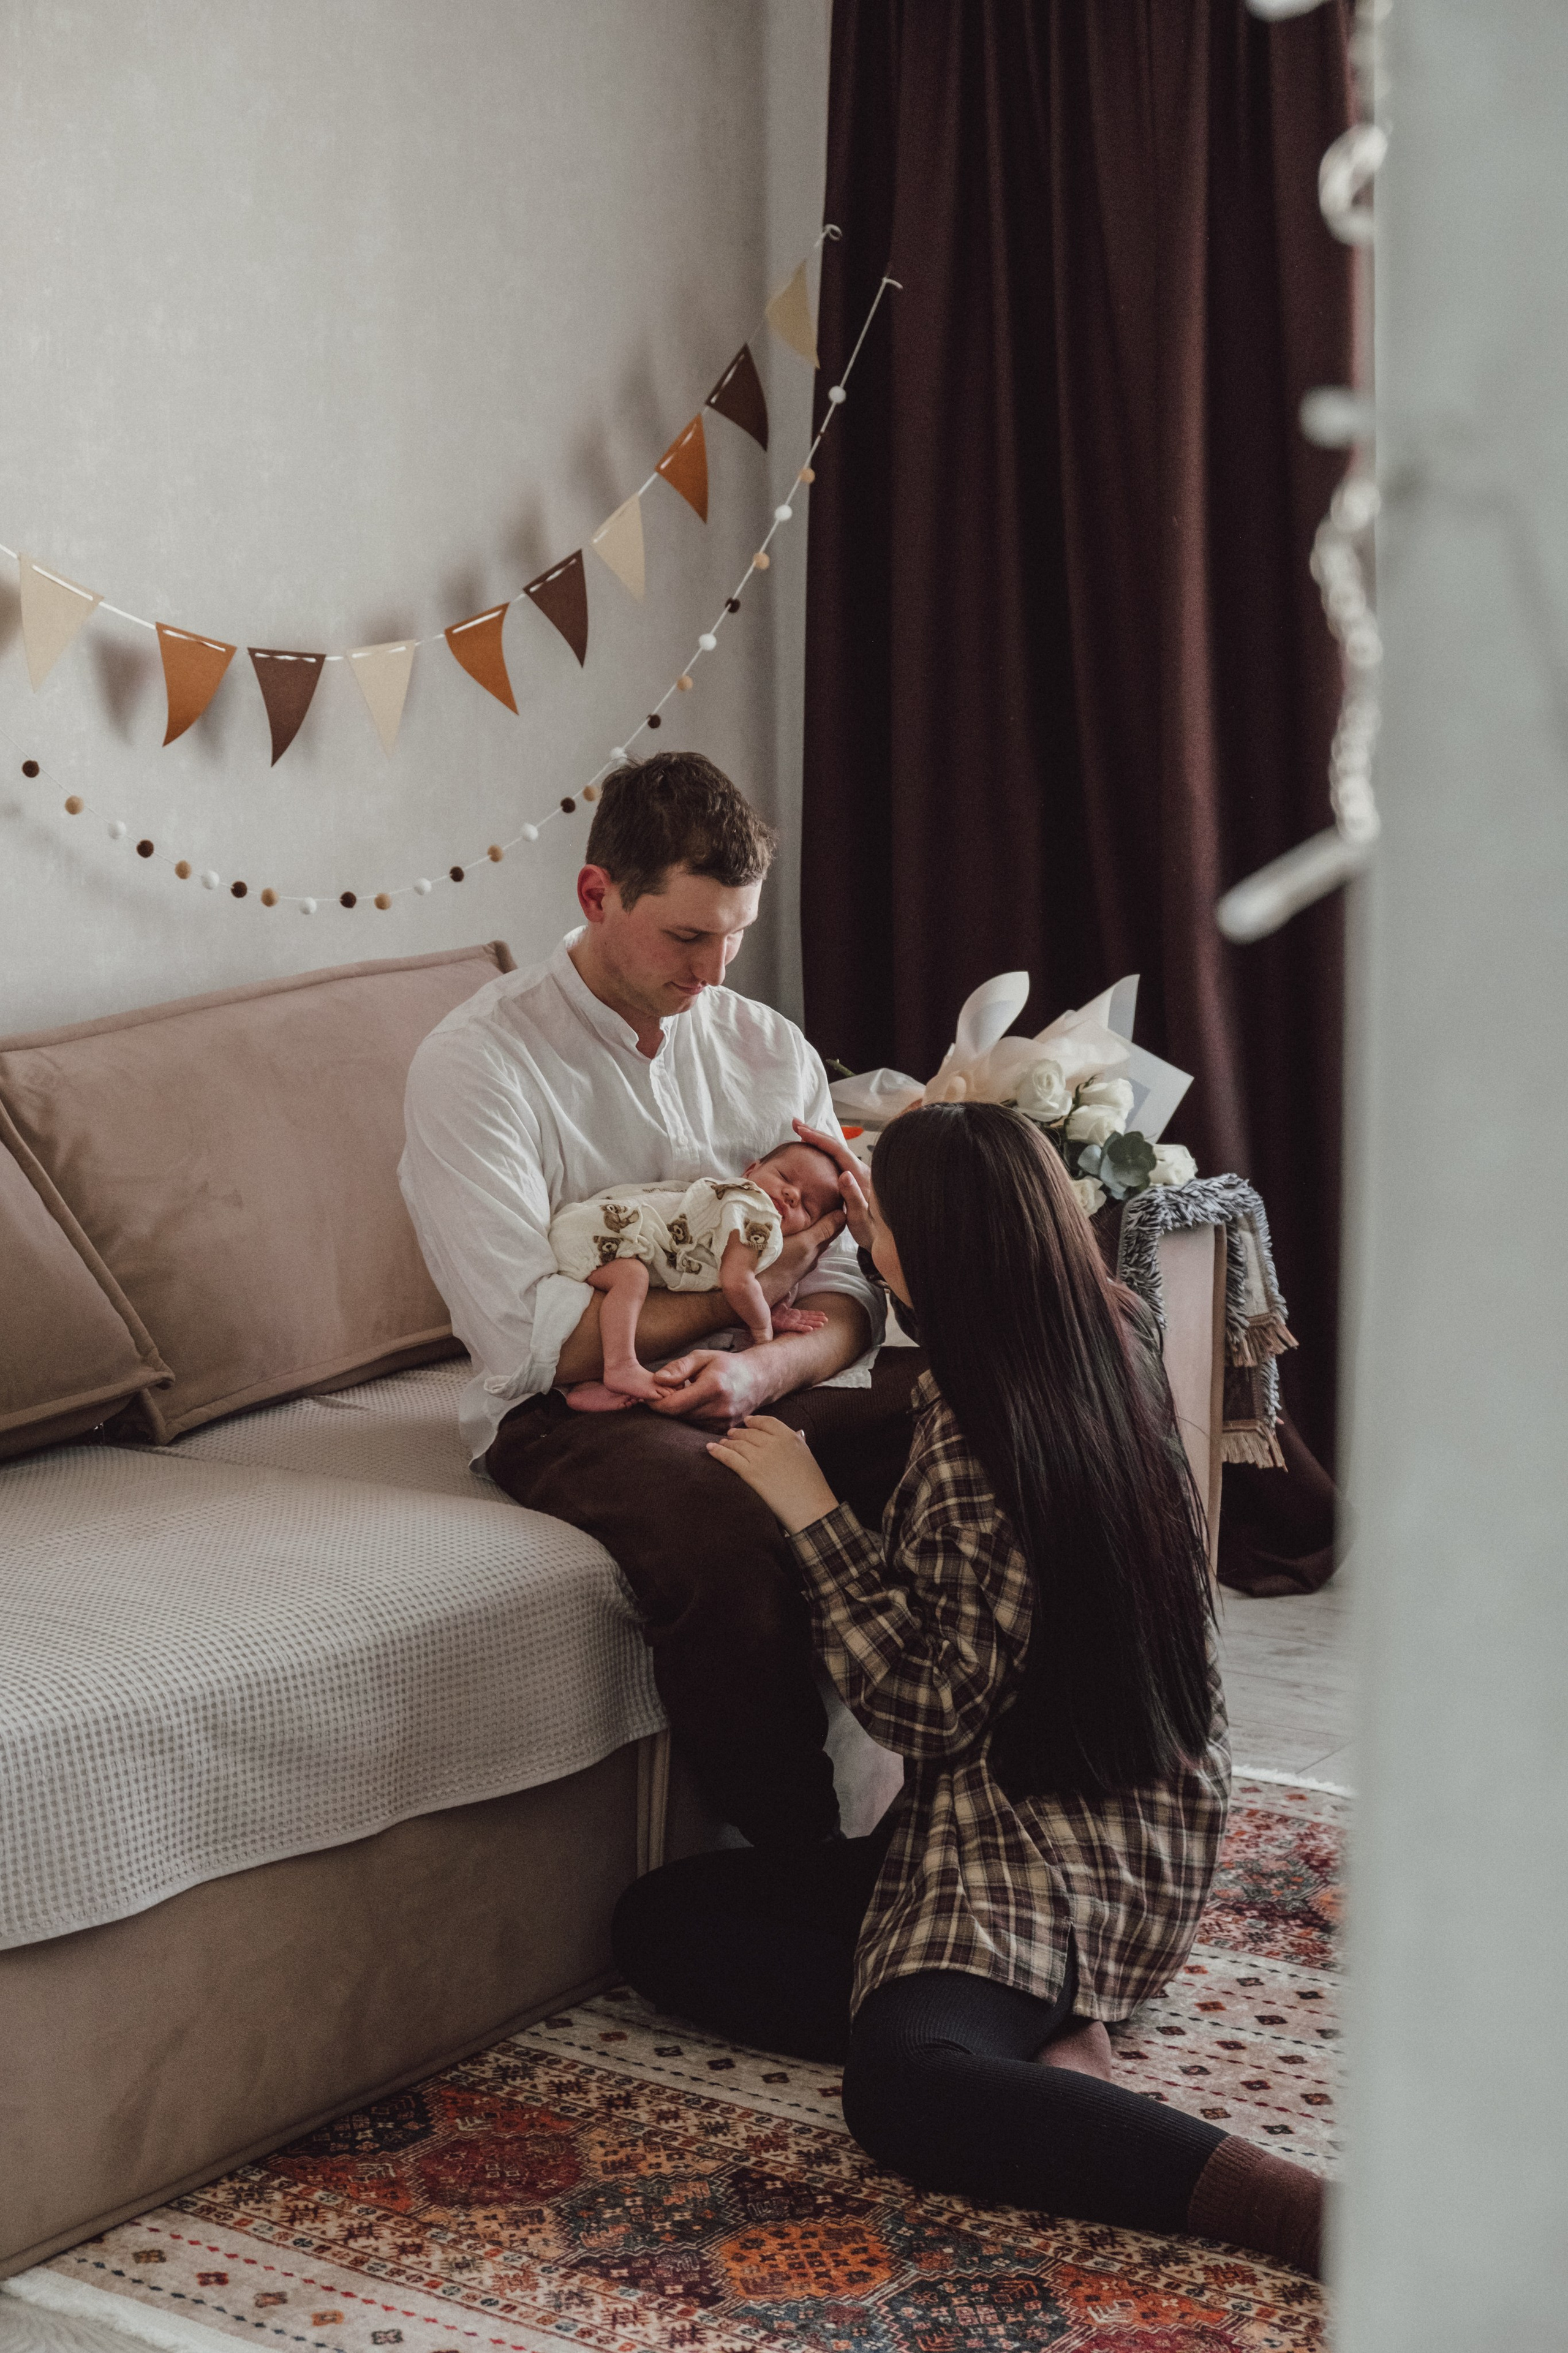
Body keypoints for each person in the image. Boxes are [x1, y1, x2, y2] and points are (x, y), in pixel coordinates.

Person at [612, 1102, 1325, 2277]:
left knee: (904, 2086)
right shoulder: (1109, 1331)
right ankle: (1041, 2020)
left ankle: (1299, 2207)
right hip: (1147, 1822)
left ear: (937, 1254)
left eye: (876, 1215)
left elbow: (927, 1709)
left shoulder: (975, 1436)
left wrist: (810, 1507)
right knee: (664, 1924)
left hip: (1028, 1835)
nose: (859, 1224)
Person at [399, 752, 913, 1851]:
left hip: (772, 1370)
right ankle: (802, 1873)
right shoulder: (479, 1064)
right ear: (597, 896)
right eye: (687, 937)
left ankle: (1010, 1826)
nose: (715, 970)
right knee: (725, 1529)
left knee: (1031, 1399)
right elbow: (537, 1338)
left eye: (736, 934)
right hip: (578, 1408)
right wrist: (740, 1318)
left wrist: (760, 1366)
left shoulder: (768, 1047)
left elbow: (844, 1287)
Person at [549, 1139, 844, 1411]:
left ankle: (584, 1385)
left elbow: (762, 1282)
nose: (792, 1195)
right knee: (631, 1279)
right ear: (751, 1171)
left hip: (598, 1236)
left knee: (623, 1300)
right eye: (785, 1177)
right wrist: (763, 1334)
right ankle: (620, 1365)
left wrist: (776, 1309)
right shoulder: (752, 1205)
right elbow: (738, 1283)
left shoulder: (771, 1242)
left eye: (808, 1206)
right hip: (598, 1233)